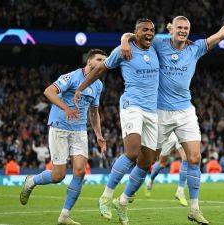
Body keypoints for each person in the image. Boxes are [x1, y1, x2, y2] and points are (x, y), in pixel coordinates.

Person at [120, 2, 224, 224]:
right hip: (160, 113)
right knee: (146, 162)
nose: (183, 31)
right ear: (170, 28)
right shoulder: (159, 43)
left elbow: (223, 33)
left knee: (194, 157)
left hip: (185, 111)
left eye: (186, 28)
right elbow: (136, 35)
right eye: (179, 27)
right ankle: (124, 199)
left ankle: (194, 208)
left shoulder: (196, 48)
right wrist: (125, 40)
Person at [74, 18, 159, 225]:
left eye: (152, 30)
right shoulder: (123, 51)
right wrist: (81, 87)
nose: (149, 33)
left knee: (148, 161)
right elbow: (101, 69)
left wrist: (125, 37)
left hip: (152, 109)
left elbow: (171, 40)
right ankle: (106, 195)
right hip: (132, 105)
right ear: (135, 32)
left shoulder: (156, 47)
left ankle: (122, 201)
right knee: (131, 152)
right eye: (144, 30)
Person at [19, 49, 107, 225]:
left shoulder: (98, 85)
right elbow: (48, 92)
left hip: (80, 131)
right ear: (89, 62)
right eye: (99, 59)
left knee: (80, 171)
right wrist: (65, 108)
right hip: (60, 128)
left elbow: (94, 112)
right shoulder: (72, 77)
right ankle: (32, 180)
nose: (103, 63)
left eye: (105, 60)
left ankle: (64, 215)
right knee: (58, 176)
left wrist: (98, 134)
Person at [145, 133, 189, 206]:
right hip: (169, 134)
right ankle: (151, 180)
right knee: (162, 164)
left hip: (179, 132)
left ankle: (180, 191)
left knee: (185, 158)